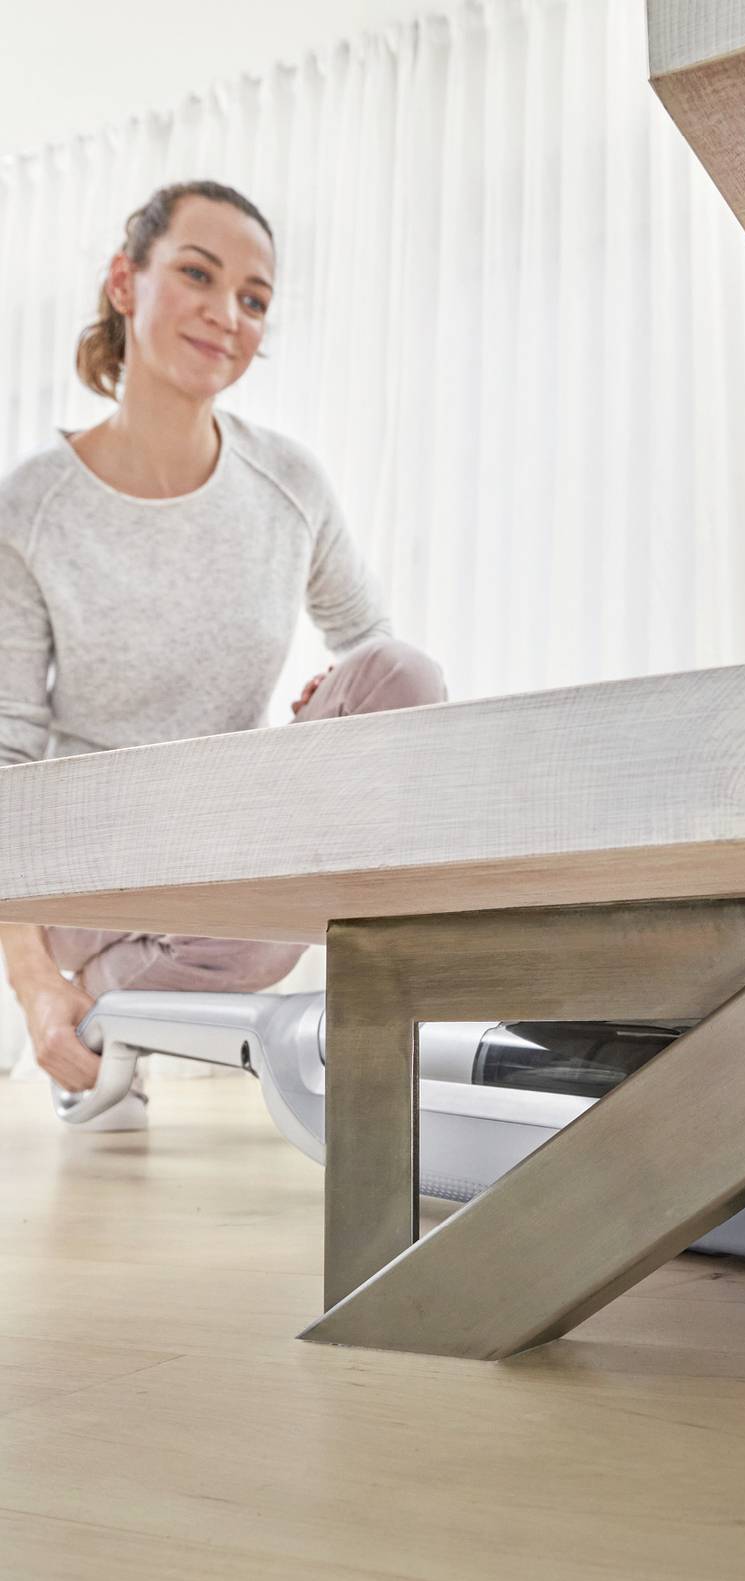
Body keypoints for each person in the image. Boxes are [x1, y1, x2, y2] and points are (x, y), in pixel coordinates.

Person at [0, 181, 446, 1131]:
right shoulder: (30, 510)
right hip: (92, 865)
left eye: (253, 298)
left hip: (229, 844)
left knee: (407, 676)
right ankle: (95, 1010)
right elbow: (5, 760)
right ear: (125, 282)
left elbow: (376, 655)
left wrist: (339, 697)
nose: (227, 314)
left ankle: (116, 1013)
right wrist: (35, 987)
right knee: (258, 925)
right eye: (197, 275)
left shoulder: (288, 483)